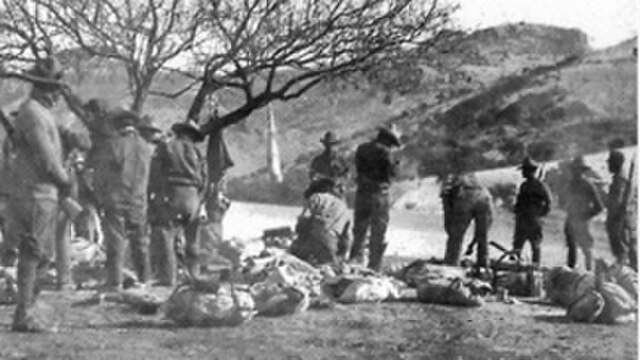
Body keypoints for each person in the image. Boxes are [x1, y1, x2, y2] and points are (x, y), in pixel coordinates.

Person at [4, 57, 72, 332]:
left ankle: (27, 309)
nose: (58, 95)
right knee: (35, 254)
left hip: (37, 192)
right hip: (36, 193)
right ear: (44, 88)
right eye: (54, 89)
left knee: (39, 254)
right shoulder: (34, 113)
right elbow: (46, 159)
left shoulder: (34, 112)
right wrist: (65, 180)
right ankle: (24, 313)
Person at [93, 111, 153, 290]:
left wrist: (100, 195)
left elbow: (101, 175)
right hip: (138, 199)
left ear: (118, 126)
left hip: (116, 198)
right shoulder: (145, 146)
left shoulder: (113, 145)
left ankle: (115, 281)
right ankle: (145, 278)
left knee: (115, 241)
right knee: (140, 240)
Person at [149, 120, 207, 285]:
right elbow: (205, 179)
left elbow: (154, 174)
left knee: (166, 234)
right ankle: (194, 276)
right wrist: (198, 197)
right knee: (192, 239)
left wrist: (154, 194)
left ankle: (168, 278)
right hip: (193, 196)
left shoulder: (166, 147)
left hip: (172, 194)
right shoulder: (197, 152)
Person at [350, 125, 401, 271]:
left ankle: (355, 261)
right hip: (379, 195)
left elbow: (359, 169)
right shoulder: (386, 153)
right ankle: (374, 265)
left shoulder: (362, 148)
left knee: (359, 230)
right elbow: (390, 174)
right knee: (378, 232)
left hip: (362, 193)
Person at [291, 178, 352, 265]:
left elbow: (304, 220)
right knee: (327, 266)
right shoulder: (345, 209)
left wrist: (298, 238)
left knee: (294, 259)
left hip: (313, 238)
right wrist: (339, 256)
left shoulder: (316, 197)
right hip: (330, 243)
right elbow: (346, 240)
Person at [559, 156, 604, 271]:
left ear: (582, 170)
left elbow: (599, 207)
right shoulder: (570, 184)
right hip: (571, 220)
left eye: (577, 169)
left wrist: (584, 216)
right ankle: (571, 274)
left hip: (582, 222)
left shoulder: (588, 185)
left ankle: (591, 275)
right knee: (571, 250)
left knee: (587, 250)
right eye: (574, 169)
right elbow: (563, 202)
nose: (575, 172)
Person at [440, 173, 493, 271]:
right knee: (483, 237)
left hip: (465, 198)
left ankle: (451, 264)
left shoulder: (449, 184)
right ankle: (483, 264)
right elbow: (484, 229)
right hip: (485, 196)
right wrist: (474, 242)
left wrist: (450, 229)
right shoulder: (473, 180)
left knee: (456, 237)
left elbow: (447, 213)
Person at [512, 157, 552, 266]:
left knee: (534, 245)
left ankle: (535, 267)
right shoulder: (524, 185)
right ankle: (516, 266)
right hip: (524, 219)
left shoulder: (540, 186)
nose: (523, 173)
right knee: (518, 246)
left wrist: (540, 214)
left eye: (525, 170)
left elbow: (548, 202)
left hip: (531, 219)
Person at [605, 150, 637, 270]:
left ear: (616, 164)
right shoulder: (618, 180)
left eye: (610, 163)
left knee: (624, 253)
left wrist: (617, 217)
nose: (608, 166)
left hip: (621, 222)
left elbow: (622, 204)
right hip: (619, 221)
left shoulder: (622, 181)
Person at [309, 131, 349, 196]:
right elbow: (312, 175)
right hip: (321, 192)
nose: (330, 147)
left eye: (333, 144)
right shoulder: (317, 160)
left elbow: (347, 175)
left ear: (336, 145)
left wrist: (339, 181)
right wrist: (323, 179)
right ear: (324, 145)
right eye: (328, 144)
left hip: (337, 192)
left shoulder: (341, 160)